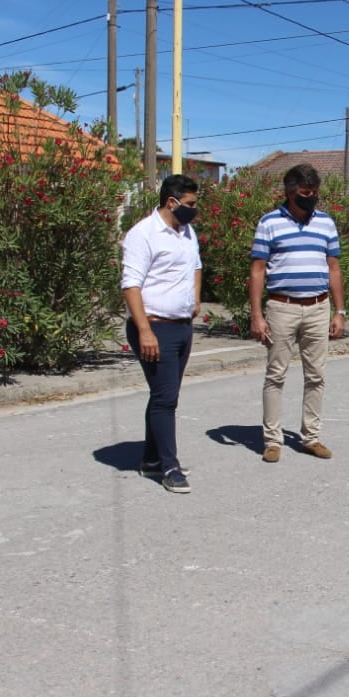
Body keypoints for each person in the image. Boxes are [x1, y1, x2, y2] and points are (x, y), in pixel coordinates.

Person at [248, 163, 346, 463]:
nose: (312, 197)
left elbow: (334, 267)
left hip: (318, 307)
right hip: (281, 307)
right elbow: (257, 270)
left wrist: (339, 310)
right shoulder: (269, 223)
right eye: (305, 193)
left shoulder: (326, 223)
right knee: (275, 375)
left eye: (315, 192)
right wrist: (256, 315)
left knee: (316, 375)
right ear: (290, 193)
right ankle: (272, 440)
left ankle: (311, 437)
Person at [120, 174, 203, 494]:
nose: (195, 210)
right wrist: (144, 331)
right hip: (154, 327)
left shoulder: (187, 232)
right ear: (172, 202)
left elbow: (196, 266)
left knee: (164, 395)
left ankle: (152, 460)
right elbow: (131, 285)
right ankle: (170, 466)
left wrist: (195, 298)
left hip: (182, 326)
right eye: (191, 204)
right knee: (166, 399)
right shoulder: (143, 234)